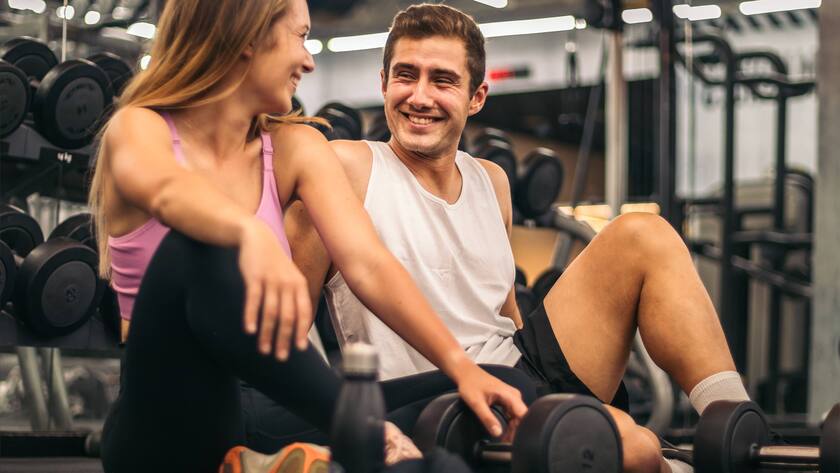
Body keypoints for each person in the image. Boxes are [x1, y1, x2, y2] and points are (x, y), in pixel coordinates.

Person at [284, 4, 753, 473]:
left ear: (477, 97)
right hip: (437, 401)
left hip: (517, 370)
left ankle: (737, 428)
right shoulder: (344, 167)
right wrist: (341, 425)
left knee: (643, 233)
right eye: (406, 76)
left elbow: (503, 311)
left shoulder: (492, 180)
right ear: (383, 83)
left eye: (442, 81)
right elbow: (288, 329)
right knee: (638, 448)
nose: (420, 97)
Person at [88, 1, 529, 471]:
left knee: (495, 390)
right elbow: (165, 190)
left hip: (272, 399)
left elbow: (368, 265)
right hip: (169, 418)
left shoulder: (295, 148)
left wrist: (463, 370)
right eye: (300, 37)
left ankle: (300, 459)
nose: (309, 59)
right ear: (247, 39)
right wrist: (245, 234)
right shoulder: (139, 128)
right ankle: (356, 436)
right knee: (201, 247)